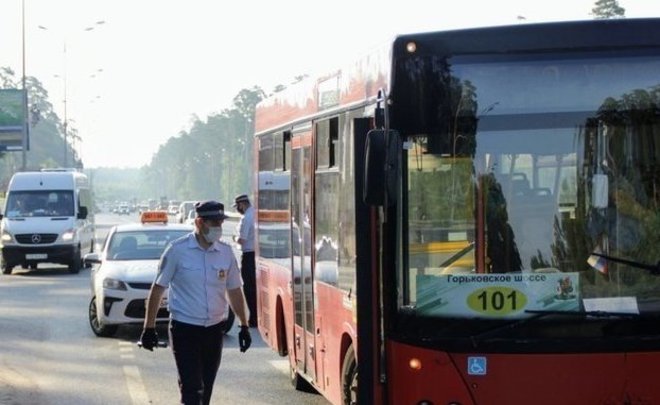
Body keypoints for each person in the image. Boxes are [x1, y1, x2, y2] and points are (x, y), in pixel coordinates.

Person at [139, 200, 252, 405]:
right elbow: (157, 290)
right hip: (185, 330)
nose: (218, 228)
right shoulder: (177, 251)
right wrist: (149, 328)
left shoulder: (226, 252)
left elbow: (234, 290)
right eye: (214, 223)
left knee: (206, 390)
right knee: (192, 389)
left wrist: (244, 325)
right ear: (199, 223)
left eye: (220, 223)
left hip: (213, 331)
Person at [232, 193, 257, 327]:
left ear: (242, 204)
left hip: (248, 255)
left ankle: (253, 317)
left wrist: (234, 238)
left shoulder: (246, 218)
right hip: (257, 254)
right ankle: (256, 315)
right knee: (255, 287)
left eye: (238, 206)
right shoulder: (255, 213)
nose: (238, 209)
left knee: (249, 288)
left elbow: (242, 239)